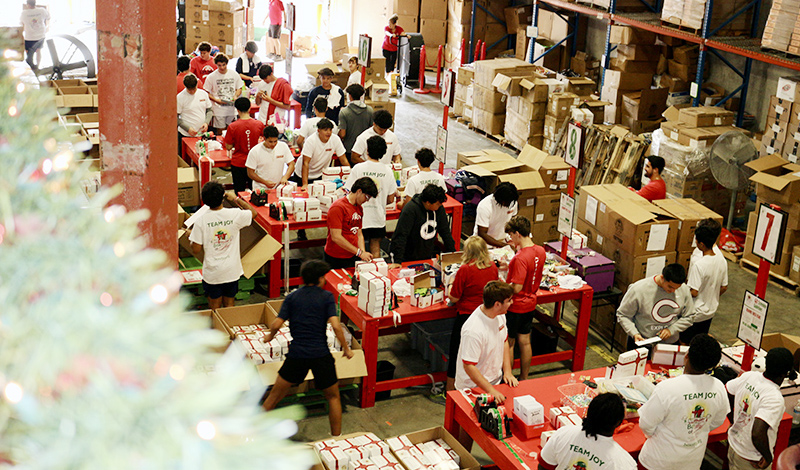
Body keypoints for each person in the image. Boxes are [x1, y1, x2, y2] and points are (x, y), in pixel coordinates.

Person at [261, 259, 354, 436]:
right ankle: (336, 439)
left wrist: (269, 337)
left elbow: (276, 324)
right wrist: (346, 349)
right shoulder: (326, 297)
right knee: (333, 397)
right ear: (320, 278)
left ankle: (252, 436)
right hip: (321, 355)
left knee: (274, 396)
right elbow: (335, 325)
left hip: (297, 355)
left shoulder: (292, 298)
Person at [638, 334, 729, 470]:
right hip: (691, 462)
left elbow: (646, 424)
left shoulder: (667, 387)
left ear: (686, 355)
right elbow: (717, 421)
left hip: (657, 461)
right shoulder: (719, 387)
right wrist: (695, 430)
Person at [189, 181, 257, 311]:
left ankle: (217, 329)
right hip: (232, 271)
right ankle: (227, 329)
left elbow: (196, 249)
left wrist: (191, 237)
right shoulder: (234, 214)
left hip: (213, 273)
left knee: (214, 307)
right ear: (223, 197)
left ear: (204, 200)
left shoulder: (201, 221)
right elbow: (253, 213)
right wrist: (236, 199)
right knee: (229, 306)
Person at [726, 347, 795, 470]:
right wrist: (768, 457)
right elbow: (757, 433)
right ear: (786, 373)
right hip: (751, 460)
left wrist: (733, 420)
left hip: (733, 446)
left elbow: (728, 390)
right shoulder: (774, 398)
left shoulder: (749, 376)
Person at [446, 236, 499, 392]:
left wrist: (450, 284)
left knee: (456, 356)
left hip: (466, 317)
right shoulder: (492, 268)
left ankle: (450, 394)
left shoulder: (465, 270)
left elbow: (454, 297)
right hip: (486, 317)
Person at [454, 281, 519, 403]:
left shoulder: (500, 315)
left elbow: (504, 341)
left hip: (494, 382)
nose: (512, 303)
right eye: (509, 300)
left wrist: (508, 372)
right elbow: (469, 366)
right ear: (497, 304)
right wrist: (490, 390)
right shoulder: (473, 330)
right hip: (471, 389)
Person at [538, 393, 637, 470]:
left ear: (588, 412)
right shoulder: (624, 464)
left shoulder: (564, 433)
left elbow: (543, 466)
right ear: (619, 423)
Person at [504, 216, 546, 381]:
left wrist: (502, 287)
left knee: (510, 342)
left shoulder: (520, 257)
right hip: (530, 303)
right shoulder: (540, 251)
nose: (511, 239)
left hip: (516, 305)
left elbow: (517, 287)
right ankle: (524, 377)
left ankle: (508, 377)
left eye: (511, 235)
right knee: (525, 341)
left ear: (517, 233)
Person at [616, 263, 695, 349]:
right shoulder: (638, 289)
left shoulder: (684, 289)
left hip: (668, 345)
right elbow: (623, 315)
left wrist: (672, 330)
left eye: (676, 288)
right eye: (670, 287)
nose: (673, 291)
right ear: (662, 278)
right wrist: (634, 333)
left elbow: (689, 316)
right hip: (642, 342)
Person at [345, 136, 399, 258]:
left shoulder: (359, 168)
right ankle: (376, 273)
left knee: (359, 251)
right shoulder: (388, 171)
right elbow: (391, 199)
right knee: (376, 250)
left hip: (359, 218)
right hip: (378, 217)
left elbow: (349, 192)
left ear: (367, 151)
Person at [680, 219, 728, 344]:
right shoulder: (722, 260)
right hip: (710, 312)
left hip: (695, 314)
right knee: (699, 340)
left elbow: (694, 292)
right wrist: (710, 297)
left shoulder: (699, 265)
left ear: (701, 244)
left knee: (684, 342)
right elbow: (724, 287)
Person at [389, 184, 456, 265]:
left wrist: (453, 254)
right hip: (407, 257)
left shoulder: (439, 209)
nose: (440, 206)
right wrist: (397, 261)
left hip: (427, 255)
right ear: (428, 203)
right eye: (438, 204)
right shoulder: (410, 209)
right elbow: (401, 235)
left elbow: (445, 232)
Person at [324, 177, 378, 269]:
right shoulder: (338, 207)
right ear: (359, 191)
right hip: (336, 257)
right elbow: (336, 237)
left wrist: (362, 253)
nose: (366, 201)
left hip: (352, 255)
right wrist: (359, 253)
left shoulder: (359, 208)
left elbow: (359, 234)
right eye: (367, 197)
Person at [223, 97, 265, 192]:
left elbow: (228, 146)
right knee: (255, 190)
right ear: (250, 108)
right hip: (255, 163)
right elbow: (265, 140)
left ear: (237, 110)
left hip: (238, 163)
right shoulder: (259, 124)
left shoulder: (232, 126)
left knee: (239, 192)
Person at [293, 118, 349, 189]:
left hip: (320, 175)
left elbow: (343, 159)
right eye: (325, 130)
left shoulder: (335, 139)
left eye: (330, 130)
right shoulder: (311, 141)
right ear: (318, 130)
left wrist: (350, 174)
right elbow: (305, 163)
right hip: (302, 175)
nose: (328, 132)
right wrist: (305, 184)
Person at [246, 125, 295, 191]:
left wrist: (285, 177)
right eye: (270, 142)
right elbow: (250, 173)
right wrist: (265, 182)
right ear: (264, 138)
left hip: (278, 187)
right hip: (261, 188)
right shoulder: (255, 151)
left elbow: (291, 164)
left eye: (275, 141)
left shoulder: (283, 146)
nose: (273, 144)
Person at [203, 53, 243, 133]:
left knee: (232, 130)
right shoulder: (211, 76)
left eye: (224, 65)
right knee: (220, 131)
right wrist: (216, 100)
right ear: (216, 65)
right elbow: (206, 92)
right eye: (219, 65)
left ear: (227, 64)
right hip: (218, 110)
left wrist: (235, 96)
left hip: (232, 109)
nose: (222, 67)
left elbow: (239, 88)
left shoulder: (234, 74)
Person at [473, 182, 519, 248]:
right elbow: (482, 233)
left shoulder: (513, 202)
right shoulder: (485, 206)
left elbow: (513, 222)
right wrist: (504, 246)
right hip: (484, 243)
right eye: (507, 202)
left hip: (503, 240)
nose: (509, 205)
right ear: (501, 200)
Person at [338, 84, 374, 164]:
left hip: (349, 149)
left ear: (350, 96)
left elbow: (342, 134)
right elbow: (372, 129)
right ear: (361, 96)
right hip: (365, 149)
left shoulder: (344, 112)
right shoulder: (370, 110)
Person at [177, 74, 212, 150]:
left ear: (197, 85)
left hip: (201, 134)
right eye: (190, 90)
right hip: (185, 134)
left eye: (194, 89)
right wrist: (187, 128)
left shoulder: (203, 94)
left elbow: (209, 110)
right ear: (185, 87)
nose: (192, 91)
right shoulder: (180, 97)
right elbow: (175, 118)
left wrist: (206, 122)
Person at [20, 0, 50, 69]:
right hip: (40, 35)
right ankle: (38, 66)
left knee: (29, 52)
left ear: (27, 4)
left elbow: (21, 22)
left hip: (29, 36)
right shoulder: (42, 10)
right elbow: (48, 17)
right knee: (38, 50)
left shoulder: (24, 13)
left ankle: (31, 66)